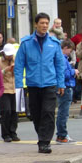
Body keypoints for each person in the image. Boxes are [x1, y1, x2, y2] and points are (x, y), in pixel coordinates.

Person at [15, 12, 65, 154]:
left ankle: (44, 142)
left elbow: (59, 65)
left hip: (50, 84)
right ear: (36, 24)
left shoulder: (54, 43)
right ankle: (42, 137)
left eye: (46, 23)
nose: (44, 25)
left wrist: (61, 84)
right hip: (33, 84)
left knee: (48, 112)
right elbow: (19, 66)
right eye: (41, 23)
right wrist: (19, 85)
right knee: (36, 115)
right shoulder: (26, 43)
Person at [0, 43, 19, 142]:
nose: (10, 56)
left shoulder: (16, 59)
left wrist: (15, 69)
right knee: (6, 111)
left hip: (15, 88)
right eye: (8, 55)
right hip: (4, 90)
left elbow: (20, 71)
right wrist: (5, 70)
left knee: (14, 112)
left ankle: (13, 132)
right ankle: (6, 134)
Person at [56, 40, 77, 143]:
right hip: (66, 87)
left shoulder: (61, 58)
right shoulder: (62, 59)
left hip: (64, 87)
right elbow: (63, 75)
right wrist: (73, 71)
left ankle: (61, 134)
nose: (70, 52)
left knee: (62, 112)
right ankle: (62, 135)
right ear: (65, 48)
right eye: (70, 50)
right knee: (63, 113)